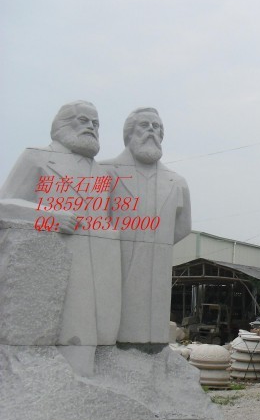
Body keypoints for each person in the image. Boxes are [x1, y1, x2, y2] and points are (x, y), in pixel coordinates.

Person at [0, 101, 121, 375]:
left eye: (96, 123)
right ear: (63, 124)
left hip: (96, 273)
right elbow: (4, 205)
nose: (91, 127)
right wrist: (49, 216)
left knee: (90, 342)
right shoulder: (37, 157)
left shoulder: (100, 173)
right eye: (83, 120)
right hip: (51, 268)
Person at [101, 107, 191, 344]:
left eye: (156, 126)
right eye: (144, 125)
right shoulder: (104, 171)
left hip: (158, 266)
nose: (152, 130)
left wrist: (155, 242)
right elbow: (94, 218)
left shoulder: (177, 182)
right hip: (114, 263)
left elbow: (183, 227)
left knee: (153, 328)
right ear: (129, 133)